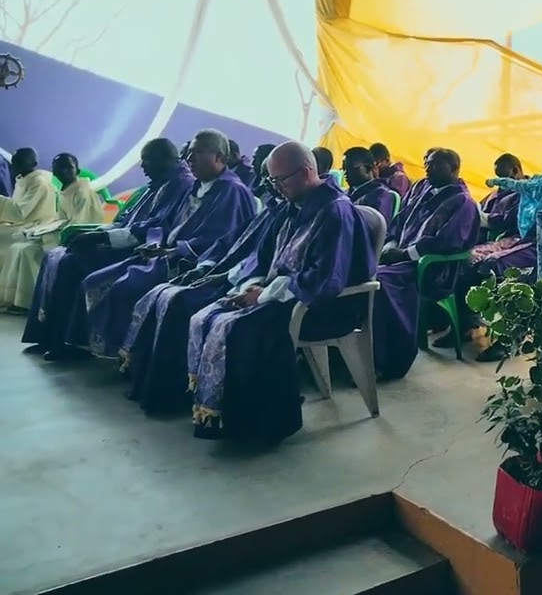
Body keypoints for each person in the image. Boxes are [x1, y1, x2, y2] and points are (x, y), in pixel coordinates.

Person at [186, 142, 376, 442]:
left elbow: (326, 278)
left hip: (325, 308)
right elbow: (266, 259)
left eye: (280, 180)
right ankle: (219, 413)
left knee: (242, 329)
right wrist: (250, 286)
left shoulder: (335, 212)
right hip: (289, 296)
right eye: (271, 181)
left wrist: (263, 296)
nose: (275, 188)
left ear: (305, 172)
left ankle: (261, 427)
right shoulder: (294, 206)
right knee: (208, 314)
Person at [76, 130, 256, 360]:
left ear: (219, 157)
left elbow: (224, 241)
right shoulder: (195, 186)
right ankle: (118, 351)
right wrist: (155, 243)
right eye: (189, 152)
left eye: (197, 152)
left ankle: (132, 356)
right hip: (161, 256)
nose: (189, 159)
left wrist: (174, 250)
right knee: (95, 280)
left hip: (190, 264)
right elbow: (167, 223)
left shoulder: (232, 191)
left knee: (124, 288)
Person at [121, 187, 289, 414]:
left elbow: (260, 260)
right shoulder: (272, 209)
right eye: (268, 179)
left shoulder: (237, 194)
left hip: (244, 283)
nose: (267, 185)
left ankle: (174, 395)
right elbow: (228, 242)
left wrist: (224, 278)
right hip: (230, 274)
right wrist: (205, 267)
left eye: (274, 179)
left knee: (179, 303)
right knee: (161, 293)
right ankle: (149, 384)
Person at [22, 138, 195, 359]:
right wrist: (98, 233)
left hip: (141, 252)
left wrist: (103, 236)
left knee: (71, 263)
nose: (142, 167)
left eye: (147, 161)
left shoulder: (181, 185)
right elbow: (127, 220)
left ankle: (71, 342)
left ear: (166, 159)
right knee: (54, 256)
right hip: (125, 241)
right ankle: (48, 334)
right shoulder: (159, 182)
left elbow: (158, 228)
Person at [371, 148, 481, 379]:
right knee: (361, 273)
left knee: (380, 283)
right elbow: (400, 220)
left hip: (433, 269)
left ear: (453, 168)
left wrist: (404, 254)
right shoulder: (425, 190)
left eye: (435, 164)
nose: (427, 169)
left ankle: (390, 361)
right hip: (403, 258)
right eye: (427, 164)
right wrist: (390, 246)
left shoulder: (462, 201)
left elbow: (448, 241)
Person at [0, 153, 104, 314]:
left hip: (78, 239)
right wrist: (39, 232)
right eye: (59, 168)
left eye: (68, 167)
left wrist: (46, 235)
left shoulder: (82, 192)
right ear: (54, 172)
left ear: (77, 170)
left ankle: (32, 302)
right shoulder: (66, 190)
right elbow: (60, 219)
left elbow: (79, 225)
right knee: (17, 248)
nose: (64, 171)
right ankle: (18, 300)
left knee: (26, 251)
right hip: (54, 231)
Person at [0, 147, 58, 240]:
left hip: (37, 224)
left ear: (34, 164)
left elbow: (21, 213)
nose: (15, 165)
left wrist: (1, 201)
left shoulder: (39, 182)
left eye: (20, 162)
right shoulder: (23, 179)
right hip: (22, 222)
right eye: (14, 161)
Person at [343, 146, 397, 225]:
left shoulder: (381, 197)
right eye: (344, 169)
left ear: (369, 168)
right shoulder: (347, 193)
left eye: (351, 169)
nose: (345, 173)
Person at [479, 154, 524, 241]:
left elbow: (509, 222)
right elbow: (478, 209)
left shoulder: (527, 195)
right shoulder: (495, 193)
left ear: (515, 170)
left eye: (503, 177)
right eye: (498, 177)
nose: (500, 181)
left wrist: (484, 219)